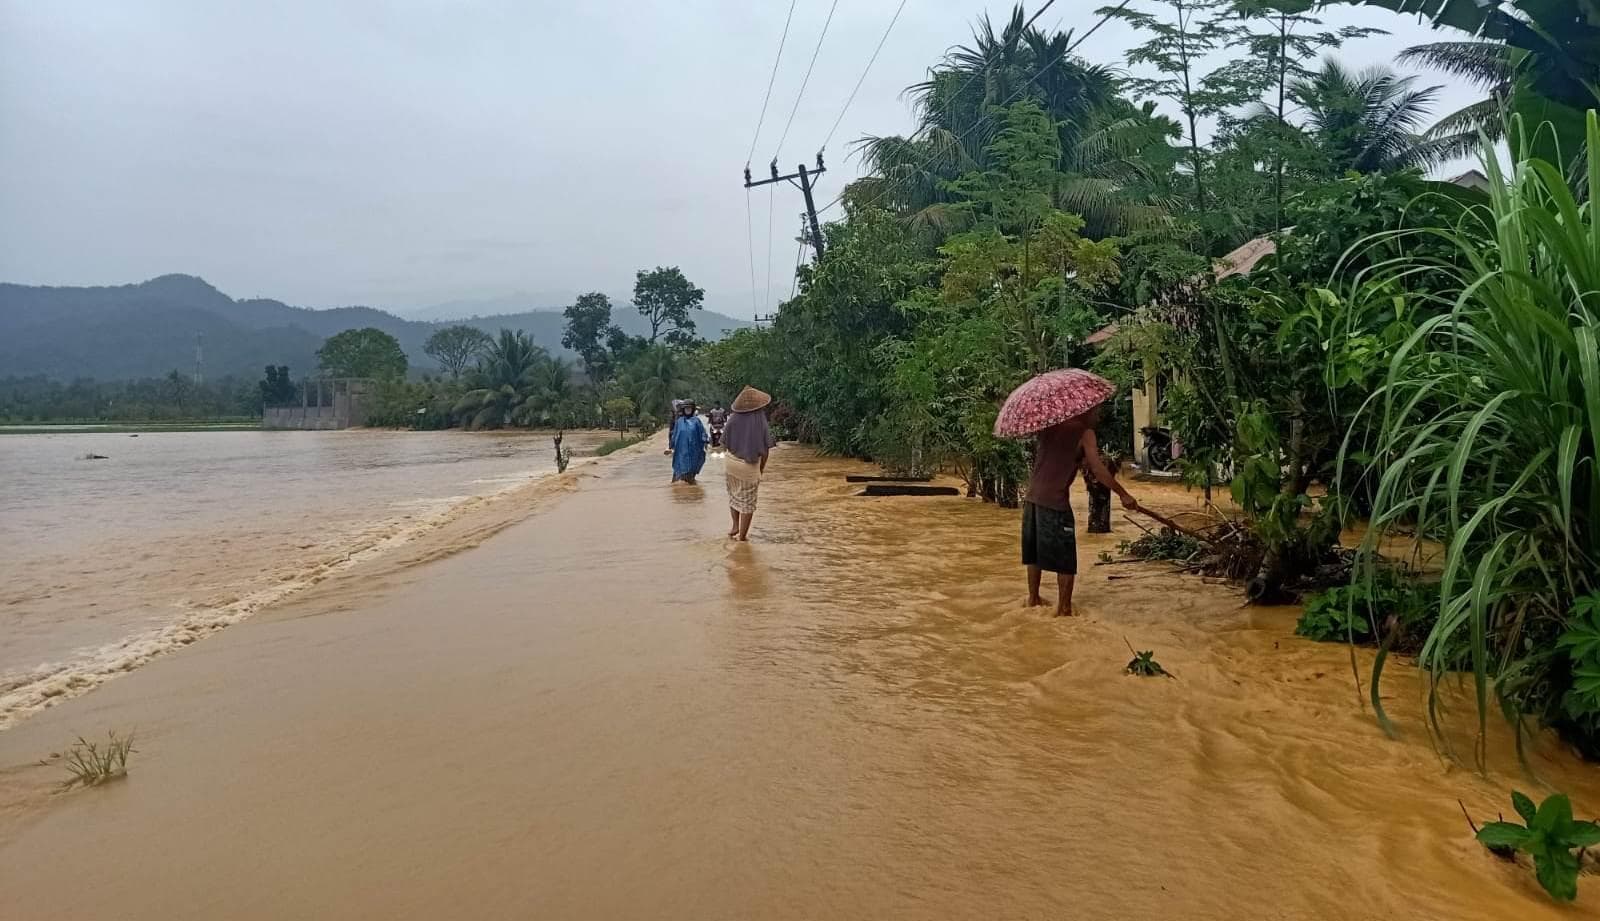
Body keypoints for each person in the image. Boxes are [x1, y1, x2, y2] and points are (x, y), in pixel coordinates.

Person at [1023, 405, 1140, 617]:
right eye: (1096, 411)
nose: (1098, 415)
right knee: (1066, 560)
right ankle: (1064, 610)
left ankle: (1033, 599)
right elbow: (1097, 469)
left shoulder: (1050, 425)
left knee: (1033, 554)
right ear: (1084, 411)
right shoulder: (1085, 433)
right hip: (1055, 502)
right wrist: (1123, 494)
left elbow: (1058, 457)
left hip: (1032, 499)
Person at [722, 386, 775, 541]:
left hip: (730, 462)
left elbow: (724, 443)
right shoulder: (760, 420)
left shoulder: (733, 418)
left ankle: (735, 525)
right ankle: (743, 538)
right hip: (748, 466)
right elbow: (765, 450)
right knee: (748, 502)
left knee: (734, 495)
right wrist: (761, 469)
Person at [664, 399, 708, 484]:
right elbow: (675, 435)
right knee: (678, 477)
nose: (688, 410)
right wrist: (670, 447)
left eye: (689, 408)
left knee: (690, 476)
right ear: (683, 410)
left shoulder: (696, 421)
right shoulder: (679, 422)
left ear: (693, 409)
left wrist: (705, 442)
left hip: (693, 452)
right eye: (686, 408)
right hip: (681, 452)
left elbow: (702, 433)